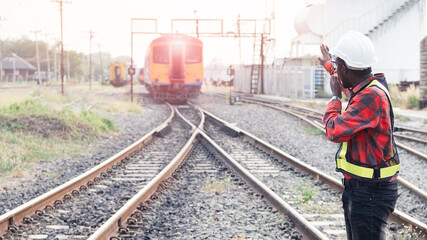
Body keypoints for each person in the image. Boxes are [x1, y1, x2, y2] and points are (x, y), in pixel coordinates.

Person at [319, 31, 400, 240]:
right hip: (363, 189)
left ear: (345, 69)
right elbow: (349, 88)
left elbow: (333, 130)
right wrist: (329, 65)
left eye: (338, 67)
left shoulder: (371, 96)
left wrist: (334, 97)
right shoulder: (367, 88)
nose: (336, 71)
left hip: (371, 193)